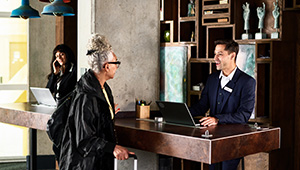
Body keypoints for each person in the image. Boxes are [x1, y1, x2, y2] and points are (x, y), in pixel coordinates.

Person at [59, 34, 134, 170]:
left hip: (97, 162)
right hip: (83, 164)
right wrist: (113, 148)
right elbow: (84, 140)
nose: (117, 66)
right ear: (106, 66)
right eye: (116, 63)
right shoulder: (86, 96)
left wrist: (106, 112)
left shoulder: (103, 88)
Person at [189, 39, 256, 170]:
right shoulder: (212, 79)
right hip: (212, 139)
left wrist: (218, 119)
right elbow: (202, 106)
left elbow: (243, 116)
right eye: (215, 54)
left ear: (232, 55)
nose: (215, 58)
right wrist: (183, 113)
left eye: (220, 54)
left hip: (233, 140)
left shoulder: (247, 82)